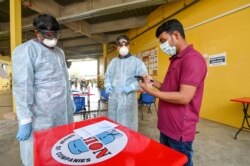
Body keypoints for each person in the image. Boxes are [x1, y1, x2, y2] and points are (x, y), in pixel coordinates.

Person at [138, 19, 207, 166]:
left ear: (175, 35)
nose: (162, 46)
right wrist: (153, 82)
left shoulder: (192, 59)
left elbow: (184, 97)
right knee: (168, 162)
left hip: (179, 131)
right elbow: (169, 89)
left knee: (181, 162)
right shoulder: (176, 59)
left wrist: (148, 92)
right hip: (166, 126)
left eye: (163, 40)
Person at [12, 14, 74, 166]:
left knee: (61, 151)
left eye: (56, 34)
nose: (52, 38)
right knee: (38, 154)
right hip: (40, 117)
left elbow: (65, 80)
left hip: (62, 114)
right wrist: (25, 118)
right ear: (36, 32)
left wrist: (70, 99)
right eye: (48, 34)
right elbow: (22, 86)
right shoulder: (26, 51)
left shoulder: (59, 52)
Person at [104, 34, 148, 131]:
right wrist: (108, 84)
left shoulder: (137, 62)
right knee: (113, 126)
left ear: (129, 45)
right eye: (120, 45)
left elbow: (143, 78)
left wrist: (131, 87)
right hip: (114, 100)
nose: (123, 47)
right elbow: (107, 76)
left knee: (129, 127)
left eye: (126, 44)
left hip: (129, 100)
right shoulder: (113, 62)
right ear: (117, 47)